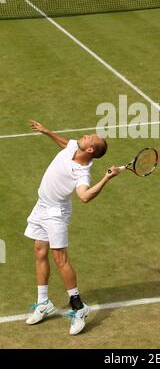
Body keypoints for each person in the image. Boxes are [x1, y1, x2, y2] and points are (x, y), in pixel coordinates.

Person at [24, 120, 119, 335]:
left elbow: (84, 196)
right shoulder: (74, 147)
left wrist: (106, 177)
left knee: (60, 259)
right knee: (39, 251)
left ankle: (78, 308)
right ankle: (43, 302)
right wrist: (47, 131)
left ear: (90, 150)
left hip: (56, 213)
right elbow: (65, 143)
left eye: (88, 138)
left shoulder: (82, 172)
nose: (84, 135)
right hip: (41, 206)